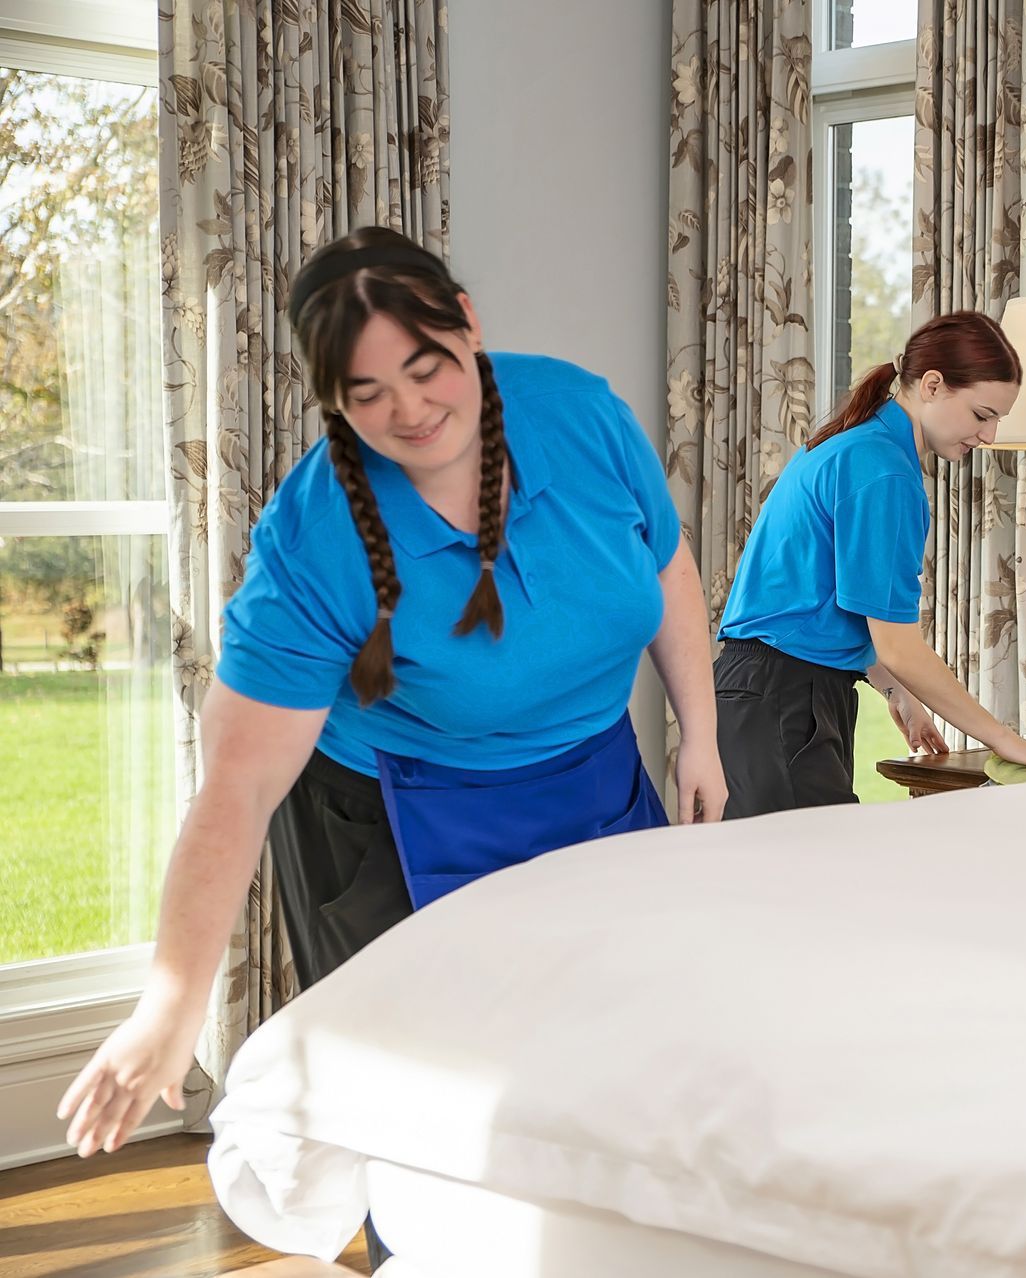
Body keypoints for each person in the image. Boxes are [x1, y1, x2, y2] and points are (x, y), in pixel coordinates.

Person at [58, 228, 725, 1263]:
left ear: (468, 322)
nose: (410, 410)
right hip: (389, 813)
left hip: (588, 773)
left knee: (605, 1049)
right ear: (333, 399)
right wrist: (168, 1008)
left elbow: (667, 571)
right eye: (368, 394)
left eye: (426, 367)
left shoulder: (581, 415)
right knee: (427, 1102)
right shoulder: (312, 538)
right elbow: (234, 790)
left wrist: (699, 736)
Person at [715, 310, 1026, 815]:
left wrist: (895, 690)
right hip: (786, 695)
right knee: (806, 881)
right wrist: (1004, 739)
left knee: (790, 878)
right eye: (981, 414)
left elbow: (826, 604)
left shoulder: (856, 444)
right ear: (932, 384)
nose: (990, 436)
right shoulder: (883, 471)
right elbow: (899, 645)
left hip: (775, 693)